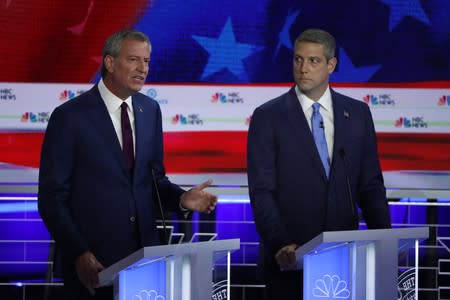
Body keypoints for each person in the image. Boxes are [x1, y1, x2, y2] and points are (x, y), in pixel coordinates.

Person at [38, 29, 217, 300]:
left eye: (146, 61)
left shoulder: (150, 110)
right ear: (110, 63)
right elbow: (52, 198)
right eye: (134, 59)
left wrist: (182, 199)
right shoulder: (70, 117)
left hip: (144, 263)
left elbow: (153, 182)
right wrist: (79, 252)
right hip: (92, 265)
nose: (142, 68)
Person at [247, 28, 391, 300]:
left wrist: (383, 241)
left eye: (313, 61)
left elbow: (371, 185)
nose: (303, 68)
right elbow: (261, 190)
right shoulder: (269, 116)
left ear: (331, 65)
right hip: (289, 258)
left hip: (343, 256)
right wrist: (280, 244)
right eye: (298, 59)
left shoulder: (358, 114)